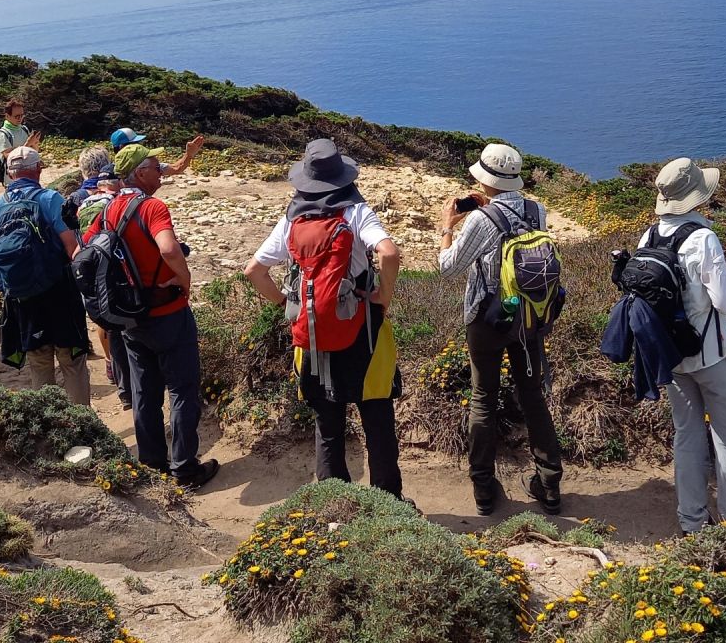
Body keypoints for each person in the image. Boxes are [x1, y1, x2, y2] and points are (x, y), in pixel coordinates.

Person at [245, 140, 403, 497]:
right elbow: (389, 253)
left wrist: (288, 304)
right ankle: (389, 505)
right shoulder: (356, 212)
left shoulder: (292, 219)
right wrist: (382, 297)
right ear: (344, 178)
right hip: (363, 331)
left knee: (328, 426)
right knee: (377, 421)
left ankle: (333, 506)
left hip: (312, 337)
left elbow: (253, 270)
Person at [438, 142, 563, 515]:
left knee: (483, 398)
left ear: (484, 178)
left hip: (487, 319)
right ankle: (550, 484)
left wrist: (447, 226)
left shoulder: (480, 219)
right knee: (532, 395)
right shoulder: (536, 210)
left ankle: (483, 489)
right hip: (528, 319)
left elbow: (447, 267)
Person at [88, 143, 219, 488]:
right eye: (155, 165)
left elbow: (84, 250)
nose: (161, 170)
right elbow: (168, 248)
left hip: (131, 316)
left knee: (144, 390)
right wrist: (184, 278)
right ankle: (185, 469)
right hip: (168, 310)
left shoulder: (107, 210)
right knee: (182, 388)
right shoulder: (152, 207)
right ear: (140, 173)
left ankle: (153, 463)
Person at [639, 158, 726, 535]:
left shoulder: (648, 237)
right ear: (696, 196)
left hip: (671, 357)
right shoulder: (703, 238)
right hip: (712, 355)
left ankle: (692, 521)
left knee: (686, 436)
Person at [0, 146, 92, 406]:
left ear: (9, 173)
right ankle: (84, 428)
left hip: (23, 299)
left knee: (40, 363)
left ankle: (49, 427)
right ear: (39, 169)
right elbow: (70, 246)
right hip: (59, 292)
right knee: (72, 361)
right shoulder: (50, 199)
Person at [75, 160, 131, 407]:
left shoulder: (84, 203)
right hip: (112, 272)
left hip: (89, 270)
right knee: (124, 329)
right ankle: (129, 385)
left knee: (104, 323)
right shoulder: (113, 203)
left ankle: (115, 375)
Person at [108, 127, 207, 179]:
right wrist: (189, 155)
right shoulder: (147, 165)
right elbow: (176, 169)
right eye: (135, 143)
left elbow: (176, 168)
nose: (139, 145)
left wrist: (188, 155)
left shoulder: (106, 170)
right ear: (122, 147)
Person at [0, 99, 42, 184]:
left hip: (29, 175)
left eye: (22, 115)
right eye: (17, 116)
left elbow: (33, 151)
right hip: (13, 179)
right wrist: (28, 143)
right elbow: (9, 156)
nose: (20, 118)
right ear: (7, 116)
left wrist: (34, 143)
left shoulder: (24, 129)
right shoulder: (2, 135)